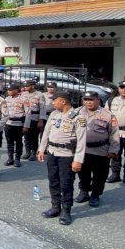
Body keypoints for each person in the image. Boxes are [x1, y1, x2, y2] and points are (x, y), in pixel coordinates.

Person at [37, 91, 87, 226]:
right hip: (53, 152)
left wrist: (78, 160)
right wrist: (42, 149)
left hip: (67, 155)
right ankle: (55, 207)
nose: (52, 103)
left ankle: (66, 210)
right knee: (53, 181)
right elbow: (46, 133)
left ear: (63, 101)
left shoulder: (78, 117)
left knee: (66, 183)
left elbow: (82, 141)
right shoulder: (54, 114)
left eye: (55, 100)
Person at [76, 91, 120, 207]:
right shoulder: (77, 112)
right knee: (83, 174)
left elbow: (114, 134)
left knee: (99, 175)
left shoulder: (108, 115)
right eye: (85, 99)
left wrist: (113, 150)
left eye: (91, 100)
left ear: (97, 100)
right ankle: (84, 191)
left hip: (101, 150)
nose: (88, 102)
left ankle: (95, 194)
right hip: (83, 150)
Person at [4, 82, 29, 167]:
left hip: (19, 124)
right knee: (9, 142)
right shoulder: (6, 99)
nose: (8, 91)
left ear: (15, 90)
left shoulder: (23, 99)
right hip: (8, 123)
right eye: (8, 90)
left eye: (10, 90)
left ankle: (17, 159)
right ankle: (10, 158)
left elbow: (28, 113)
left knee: (18, 142)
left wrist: (26, 126)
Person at [22, 78, 45, 161]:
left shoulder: (39, 94)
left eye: (27, 86)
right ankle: (27, 152)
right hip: (25, 117)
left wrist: (41, 120)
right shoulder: (23, 94)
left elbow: (42, 108)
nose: (25, 87)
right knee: (26, 136)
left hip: (34, 117)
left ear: (32, 86)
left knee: (34, 136)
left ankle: (33, 152)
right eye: (24, 86)